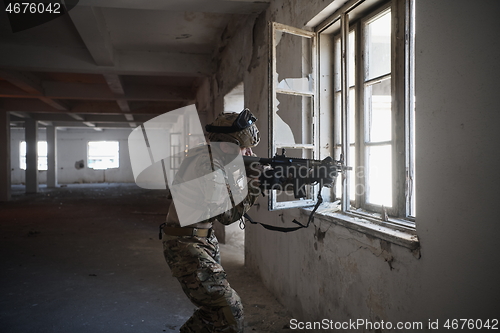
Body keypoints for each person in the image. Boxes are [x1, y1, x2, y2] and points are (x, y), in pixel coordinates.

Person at [162, 109, 261, 333]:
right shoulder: (208, 166)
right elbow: (228, 215)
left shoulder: (207, 156)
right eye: (245, 148)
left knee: (214, 312)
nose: (249, 153)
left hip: (200, 238)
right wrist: (256, 184)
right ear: (227, 146)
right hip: (186, 245)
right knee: (229, 309)